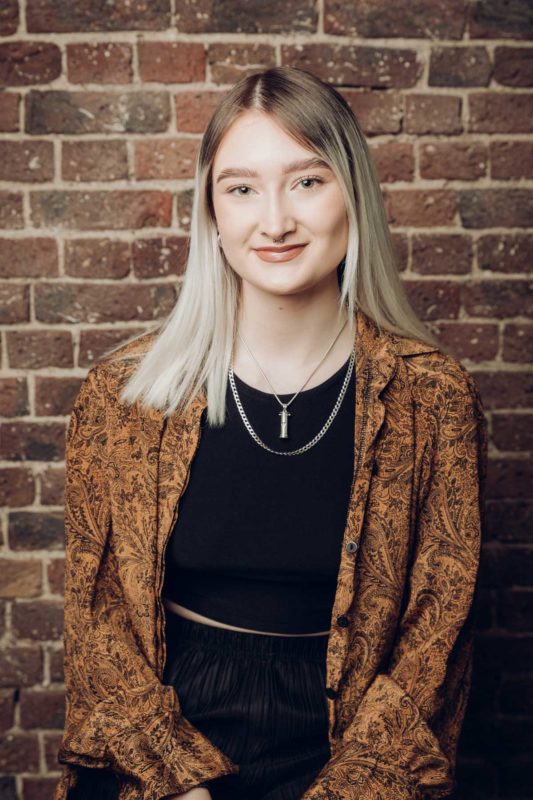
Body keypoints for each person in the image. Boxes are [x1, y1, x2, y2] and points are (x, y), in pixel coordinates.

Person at [54, 66, 487, 800]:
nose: (275, 221)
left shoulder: (431, 397)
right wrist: (176, 783)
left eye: (307, 181)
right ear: (211, 214)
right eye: (241, 188)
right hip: (162, 745)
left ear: (354, 194)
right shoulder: (124, 396)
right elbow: (96, 621)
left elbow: (437, 633)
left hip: (347, 748)